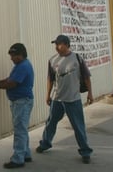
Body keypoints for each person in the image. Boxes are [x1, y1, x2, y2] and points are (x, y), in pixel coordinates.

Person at [36, 34, 94, 164]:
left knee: (78, 126)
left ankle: (85, 151)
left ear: (67, 45)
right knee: (50, 123)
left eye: (59, 44)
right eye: (56, 44)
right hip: (57, 99)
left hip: (73, 99)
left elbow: (86, 77)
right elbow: (50, 79)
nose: (57, 47)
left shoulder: (77, 59)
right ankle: (45, 143)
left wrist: (90, 93)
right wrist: (48, 94)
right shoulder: (52, 60)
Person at [0, 43, 34, 169]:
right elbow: (10, 80)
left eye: (13, 56)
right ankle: (25, 153)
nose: (11, 58)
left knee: (19, 130)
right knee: (22, 129)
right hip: (22, 101)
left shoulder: (22, 66)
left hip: (21, 102)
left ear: (20, 55)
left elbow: (12, 84)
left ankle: (18, 158)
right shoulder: (21, 65)